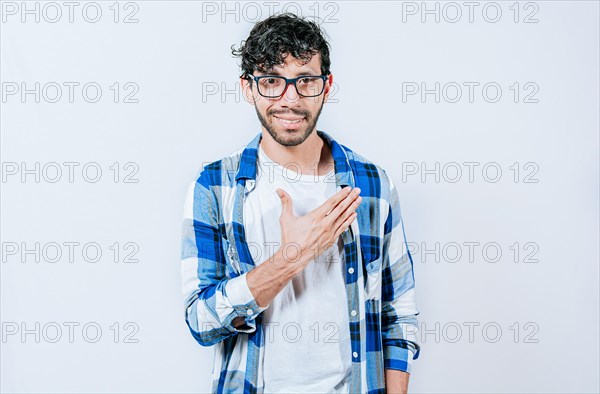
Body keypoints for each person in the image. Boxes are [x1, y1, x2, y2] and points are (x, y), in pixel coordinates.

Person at [181, 12, 421, 394]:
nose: (289, 99)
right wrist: (293, 256)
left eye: (305, 80)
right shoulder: (215, 185)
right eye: (272, 80)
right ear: (248, 87)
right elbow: (201, 322)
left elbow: (399, 313)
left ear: (326, 86)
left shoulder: (372, 183)